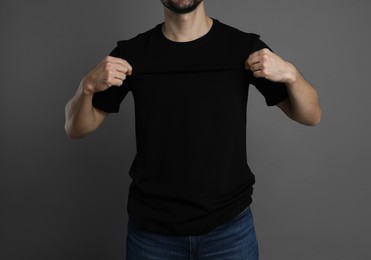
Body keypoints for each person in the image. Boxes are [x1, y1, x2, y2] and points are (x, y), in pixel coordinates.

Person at [65, 0, 321, 259]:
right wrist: (86, 87)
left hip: (229, 232)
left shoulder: (242, 48)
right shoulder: (132, 54)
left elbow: (311, 115)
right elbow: (76, 128)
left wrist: (292, 74)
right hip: (152, 235)